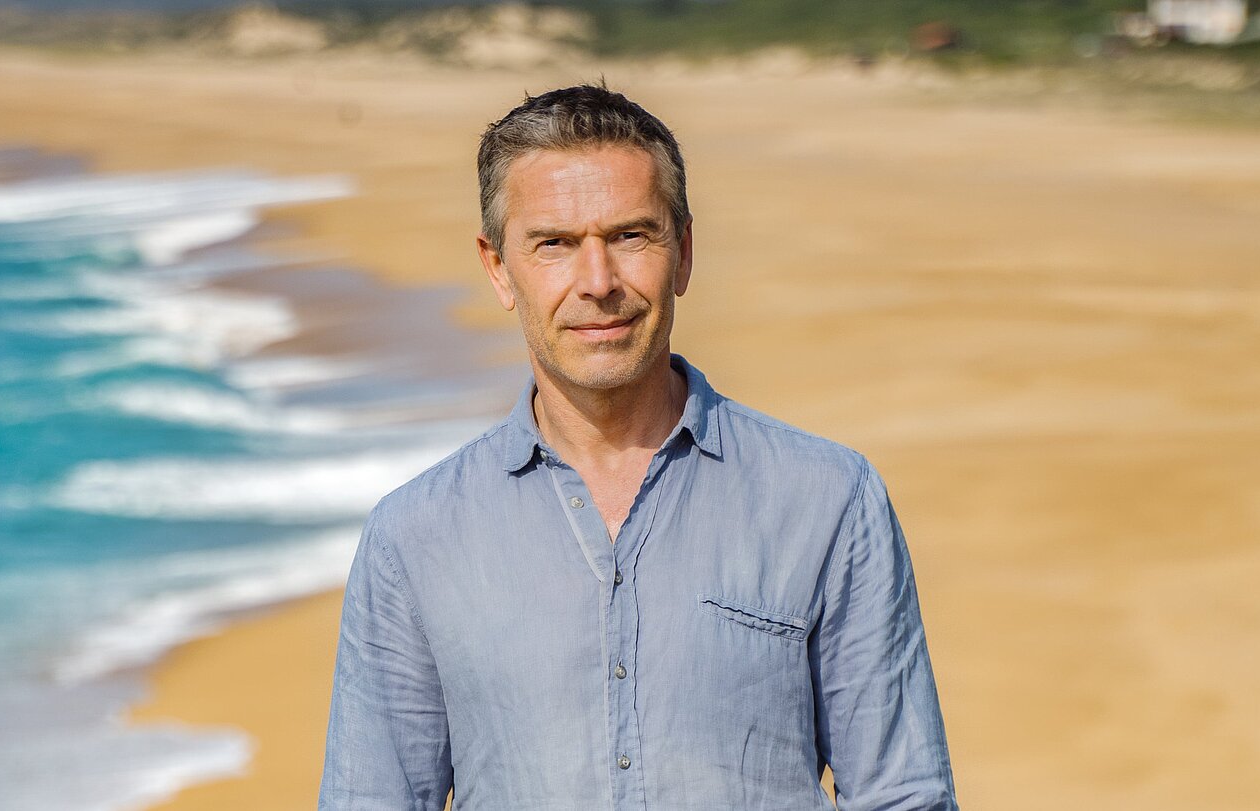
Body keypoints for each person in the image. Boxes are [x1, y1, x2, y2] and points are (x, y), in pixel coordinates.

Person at [318, 83, 960, 810]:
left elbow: (905, 794)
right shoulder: (412, 538)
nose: (598, 283)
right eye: (554, 244)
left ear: (683, 253)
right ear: (498, 266)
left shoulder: (829, 498)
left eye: (630, 236)